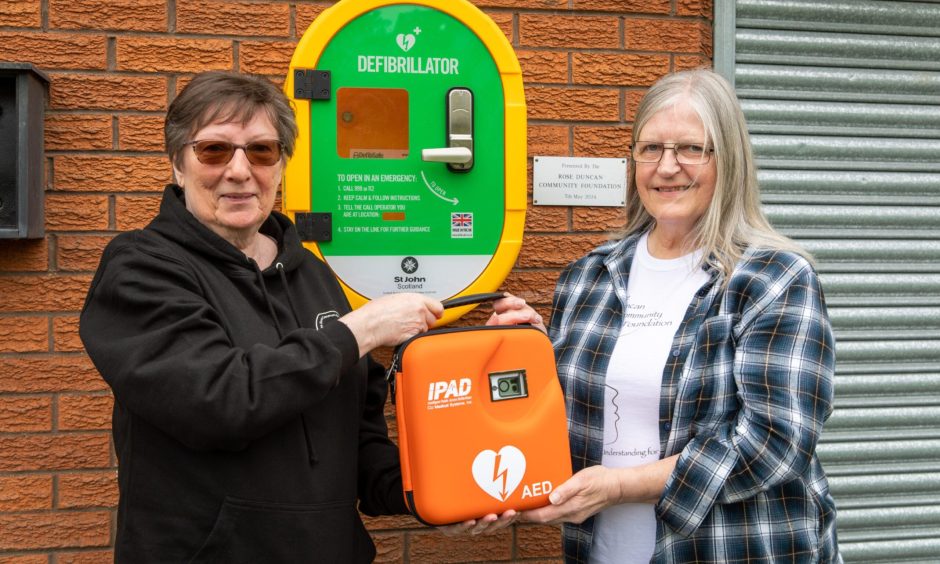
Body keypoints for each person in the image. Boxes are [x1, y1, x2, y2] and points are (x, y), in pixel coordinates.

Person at [78, 70, 524, 562]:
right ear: (178, 166)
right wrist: (360, 330)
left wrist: (443, 496)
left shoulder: (310, 272)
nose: (240, 171)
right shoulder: (141, 268)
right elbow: (219, 400)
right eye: (214, 150)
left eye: (262, 151)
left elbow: (360, 439)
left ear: (282, 164)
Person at [520, 69, 840, 563]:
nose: (666, 167)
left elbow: (773, 443)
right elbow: (569, 412)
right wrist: (522, 353)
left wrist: (620, 486)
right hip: (605, 551)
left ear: (728, 160)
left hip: (736, 550)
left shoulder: (773, 279)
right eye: (650, 149)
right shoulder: (589, 276)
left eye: (691, 148)